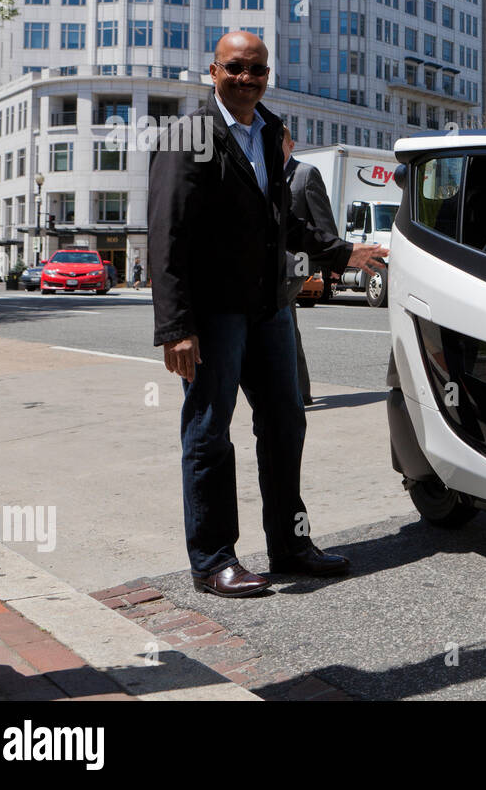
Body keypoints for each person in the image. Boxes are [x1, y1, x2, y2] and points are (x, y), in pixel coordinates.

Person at [148, 31, 389, 598]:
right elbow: (168, 235)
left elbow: (281, 221)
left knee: (286, 423)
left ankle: (290, 543)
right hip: (213, 314)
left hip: (269, 307)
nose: (246, 78)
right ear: (213, 71)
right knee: (209, 431)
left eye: (256, 69)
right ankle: (213, 560)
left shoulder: (271, 132)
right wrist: (175, 327)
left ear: (267, 74)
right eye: (235, 68)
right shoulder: (189, 136)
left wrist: (341, 252)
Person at [282, 123, 338, 406]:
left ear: (290, 146)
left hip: (295, 268)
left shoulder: (305, 174)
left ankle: (294, 393)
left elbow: (325, 223)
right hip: (269, 266)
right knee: (287, 327)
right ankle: (299, 392)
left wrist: (327, 262)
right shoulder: (264, 176)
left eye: (279, 143)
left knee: (279, 323)